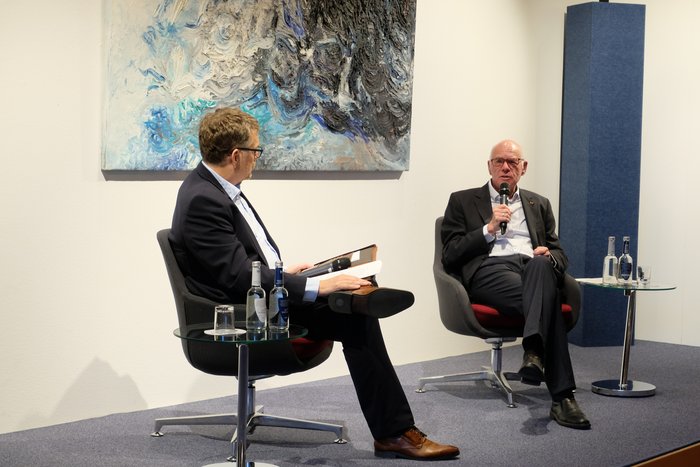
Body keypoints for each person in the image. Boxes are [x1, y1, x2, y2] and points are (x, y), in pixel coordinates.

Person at [169, 107, 460, 460]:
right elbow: (237, 277)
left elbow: (239, 264)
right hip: (246, 318)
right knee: (353, 313)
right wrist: (314, 287)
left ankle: (364, 296)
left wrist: (291, 274)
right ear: (236, 155)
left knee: (350, 300)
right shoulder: (204, 198)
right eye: (256, 151)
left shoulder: (217, 189)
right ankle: (394, 432)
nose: (257, 159)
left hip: (263, 297)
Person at [441, 139, 591, 430]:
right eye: (499, 161)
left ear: (524, 168)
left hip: (534, 270)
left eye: (512, 162)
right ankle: (562, 397)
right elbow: (449, 254)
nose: (505, 167)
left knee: (540, 265)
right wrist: (487, 229)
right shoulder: (462, 200)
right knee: (548, 306)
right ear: (489, 166)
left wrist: (549, 255)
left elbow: (560, 253)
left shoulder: (539, 203)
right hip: (490, 270)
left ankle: (535, 354)